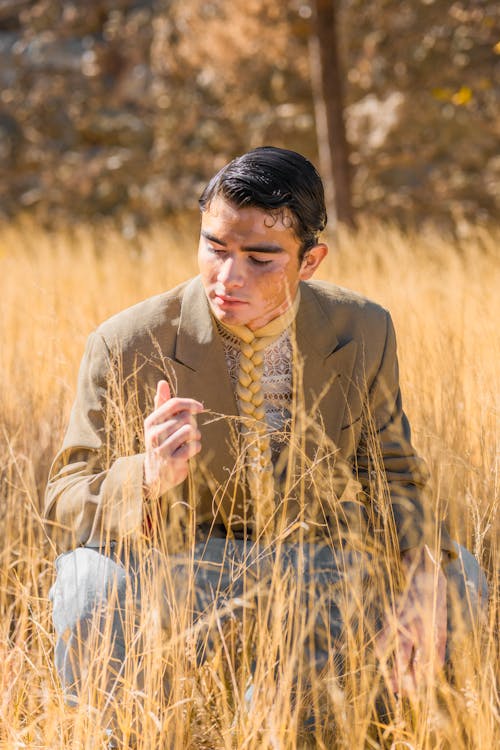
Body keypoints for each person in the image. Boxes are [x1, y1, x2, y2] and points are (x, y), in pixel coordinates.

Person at [45, 147, 486, 719]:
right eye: (215, 248)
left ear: (310, 261)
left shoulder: (364, 329)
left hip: (323, 559)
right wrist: (146, 477)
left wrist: (421, 567)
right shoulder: (125, 341)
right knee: (85, 584)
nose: (228, 277)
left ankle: (368, 723)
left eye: (260, 257)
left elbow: (394, 472)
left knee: (461, 578)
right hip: (188, 563)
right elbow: (64, 495)